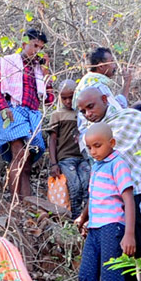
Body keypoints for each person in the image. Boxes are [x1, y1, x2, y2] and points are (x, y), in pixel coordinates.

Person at [75, 83, 141, 281]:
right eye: (82, 111)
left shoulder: (132, 118)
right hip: (110, 205)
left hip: (138, 195)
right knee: (120, 260)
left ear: (105, 100)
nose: (87, 114)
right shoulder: (93, 134)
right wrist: (88, 213)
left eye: (90, 107)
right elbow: (99, 177)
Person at [77, 123, 137, 281]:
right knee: (86, 275)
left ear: (111, 143)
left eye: (97, 145)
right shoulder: (97, 166)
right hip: (95, 228)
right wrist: (83, 219)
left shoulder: (117, 163)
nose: (93, 151)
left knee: (111, 275)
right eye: (89, 147)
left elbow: (128, 199)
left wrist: (129, 234)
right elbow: (94, 197)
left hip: (112, 226)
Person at [0, 27, 52, 199]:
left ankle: (26, 203)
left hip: (32, 115)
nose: (37, 51)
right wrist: (4, 108)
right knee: (18, 154)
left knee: (27, 162)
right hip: (14, 109)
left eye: (41, 48)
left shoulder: (39, 69)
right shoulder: (9, 61)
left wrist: (47, 72)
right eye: (35, 46)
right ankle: (15, 201)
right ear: (24, 43)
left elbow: (49, 99)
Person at [45, 79, 90, 216]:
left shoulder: (84, 114)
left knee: (87, 185)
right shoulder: (57, 115)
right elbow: (52, 139)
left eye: (71, 97)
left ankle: (87, 218)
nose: (68, 101)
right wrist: (53, 163)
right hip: (65, 158)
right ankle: (76, 218)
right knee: (74, 187)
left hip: (83, 157)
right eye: (64, 98)